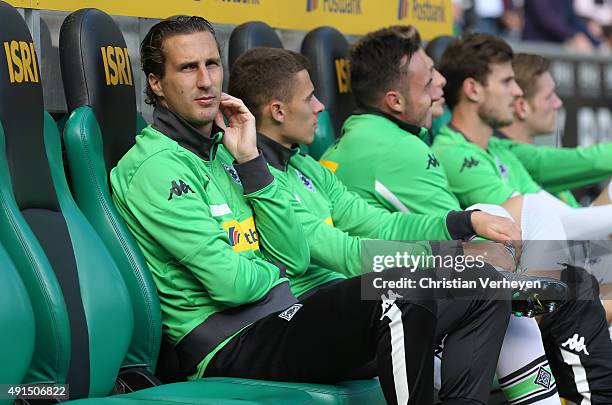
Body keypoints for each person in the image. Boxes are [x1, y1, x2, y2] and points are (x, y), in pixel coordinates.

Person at [109, 15, 488, 405]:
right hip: (227, 344)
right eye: (188, 68)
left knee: (481, 285)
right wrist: (274, 274)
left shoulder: (232, 152)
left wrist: (253, 163)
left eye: (212, 64)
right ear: (156, 83)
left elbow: (293, 253)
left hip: (280, 319)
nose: (206, 81)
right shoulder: (155, 167)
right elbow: (231, 285)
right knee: (397, 291)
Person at [228, 46, 569, 404]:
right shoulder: (258, 177)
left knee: (489, 288)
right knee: (464, 279)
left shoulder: (307, 167)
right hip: (316, 315)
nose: (321, 107)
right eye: (310, 98)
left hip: (363, 303)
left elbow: (379, 224)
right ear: (278, 110)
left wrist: (461, 221)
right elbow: (345, 253)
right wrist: (450, 254)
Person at [320, 26, 572, 404]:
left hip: (390, 300)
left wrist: (473, 233)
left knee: (508, 280)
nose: (441, 84)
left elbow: (406, 229)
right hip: (386, 315)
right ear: (395, 101)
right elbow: (453, 247)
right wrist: (485, 247)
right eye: (427, 81)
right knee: (513, 297)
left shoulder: (379, 137)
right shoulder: (397, 147)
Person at [432, 32, 612, 404]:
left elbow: (578, 182)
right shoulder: (453, 154)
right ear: (473, 89)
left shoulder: (501, 150)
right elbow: (531, 224)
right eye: (507, 80)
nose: (517, 93)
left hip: (545, 280)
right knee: (575, 285)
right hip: (509, 296)